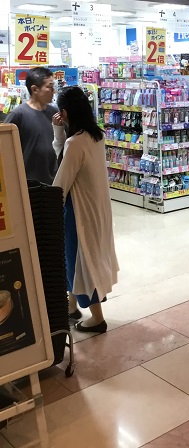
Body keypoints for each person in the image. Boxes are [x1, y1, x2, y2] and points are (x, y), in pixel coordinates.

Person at [52, 86, 118, 334]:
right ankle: (71, 306)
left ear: (65, 113)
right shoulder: (95, 136)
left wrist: (49, 208)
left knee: (81, 260)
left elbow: (62, 181)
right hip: (97, 208)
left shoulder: (75, 142)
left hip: (79, 211)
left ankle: (97, 318)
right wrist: (59, 131)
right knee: (80, 260)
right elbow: (67, 158)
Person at [5, 67, 57, 184]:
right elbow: (5, 148)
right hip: (28, 184)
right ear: (34, 89)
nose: (53, 91)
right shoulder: (18, 115)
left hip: (53, 183)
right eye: (49, 87)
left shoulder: (55, 113)